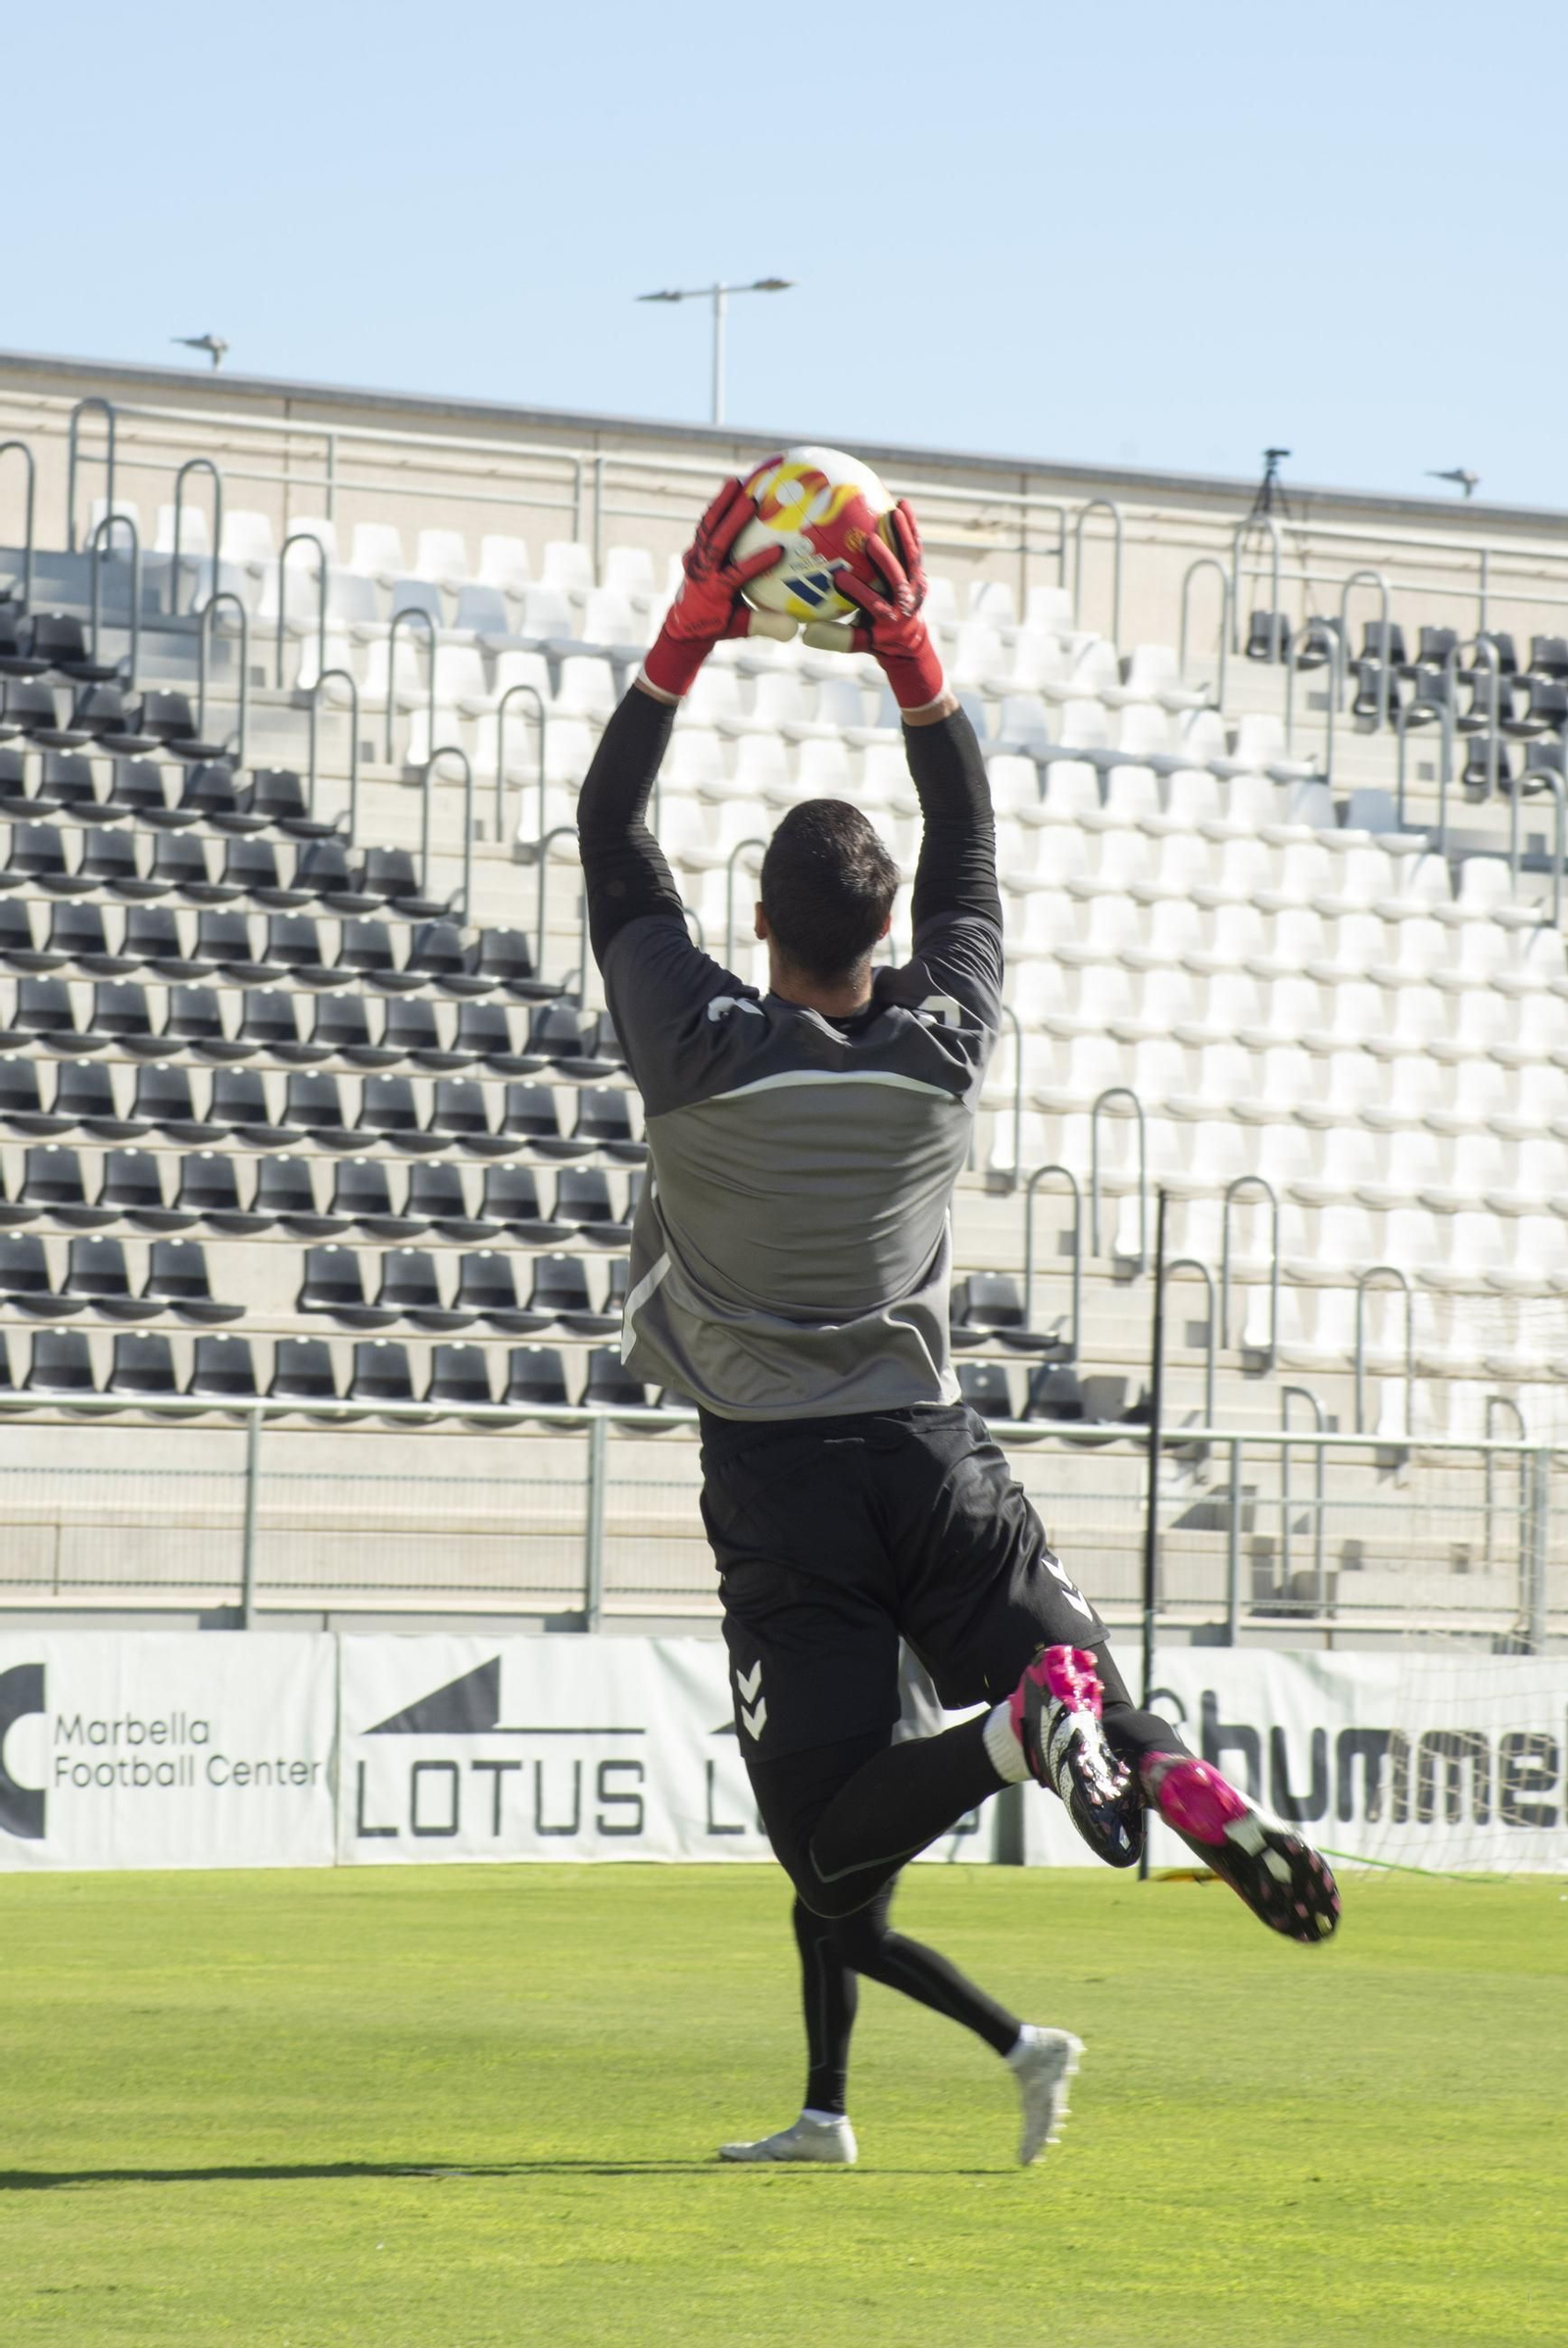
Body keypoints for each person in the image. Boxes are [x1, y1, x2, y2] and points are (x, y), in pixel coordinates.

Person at [575, 476, 1340, 2166]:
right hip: (939, 1460)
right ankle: (1130, 1750)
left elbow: (613, 836)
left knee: (835, 1863)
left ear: (760, 924)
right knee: (1091, 1687)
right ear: (884, 929)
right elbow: (972, 847)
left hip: (785, 1490)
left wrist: (690, 637)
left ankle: (1013, 1734)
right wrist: (909, 653)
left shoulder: (694, 1048)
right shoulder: (940, 1047)